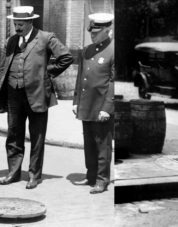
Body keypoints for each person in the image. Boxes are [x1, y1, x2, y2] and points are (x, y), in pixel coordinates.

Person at [0, 6, 73, 189]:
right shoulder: (12, 40)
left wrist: (47, 74)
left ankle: (34, 175)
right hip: (13, 94)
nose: (17, 27)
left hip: (37, 94)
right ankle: (13, 173)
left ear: (30, 22)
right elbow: (4, 65)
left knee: (37, 137)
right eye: (15, 24)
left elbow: (66, 57)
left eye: (21, 24)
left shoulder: (46, 38)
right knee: (13, 134)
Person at [71, 13, 115, 194]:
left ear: (107, 30)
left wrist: (107, 108)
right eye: (91, 31)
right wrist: (76, 101)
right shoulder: (87, 50)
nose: (93, 35)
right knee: (89, 143)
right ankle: (91, 175)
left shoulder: (113, 51)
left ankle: (102, 180)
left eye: (96, 32)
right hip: (87, 105)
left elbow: (114, 82)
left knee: (102, 144)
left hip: (101, 106)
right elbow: (80, 78)